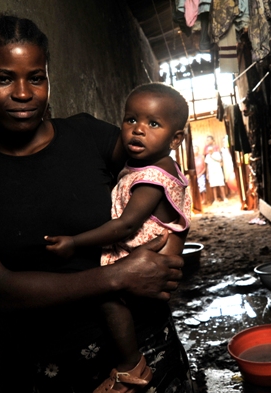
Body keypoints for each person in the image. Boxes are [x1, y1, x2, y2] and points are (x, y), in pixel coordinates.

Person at [0, 16, 193, 393]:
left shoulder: (88, 136)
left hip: (146, 344)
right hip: (54, 365)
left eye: (36, 77)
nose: (23, 93)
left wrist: (172, 249)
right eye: (4, 78)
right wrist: (117, 276)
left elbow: (163, 174)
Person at [44, 83, 191, 392]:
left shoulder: (151, 179)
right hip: (143, 254)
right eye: (130, 119)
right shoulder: (150, 165)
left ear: (175, 138)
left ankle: (130, 366)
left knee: (108, 298)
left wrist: (75, 242)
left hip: (138, 254)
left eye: (153, 124)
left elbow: (125, 226)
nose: (138, 130)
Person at [204, 136, 227, 203]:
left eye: (211, 150)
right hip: (211, 171)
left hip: (218, 170)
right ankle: (215, 199)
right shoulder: (207, 156)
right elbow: (207, 165)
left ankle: (224, 198)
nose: (210, 151)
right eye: (209, 150)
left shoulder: (217, 153)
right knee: (213, 185)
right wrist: (207, 173)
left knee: (221, 184)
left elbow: (220, 160)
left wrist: (212, 156)